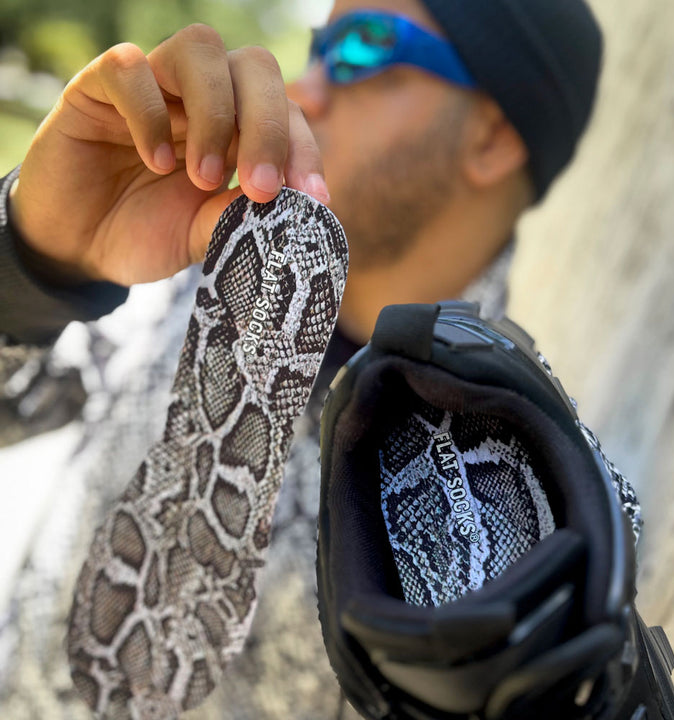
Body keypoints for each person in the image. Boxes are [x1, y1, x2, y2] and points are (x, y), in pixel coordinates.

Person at [0, 1, 618, 718]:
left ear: (492, 137)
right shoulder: (184, 271)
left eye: (363, 48)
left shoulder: (513, 505)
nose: (303, 88)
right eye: (320, 46)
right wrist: (32, 261)